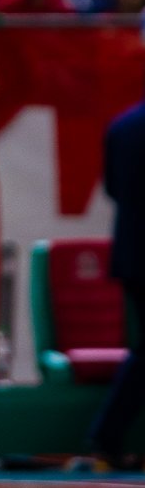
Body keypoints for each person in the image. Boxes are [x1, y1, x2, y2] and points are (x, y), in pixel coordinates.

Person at [88, 90, 145, 468]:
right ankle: (106, 435)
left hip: (132, 254)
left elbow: (112, 188)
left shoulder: (122, 126)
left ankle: (106, 435)